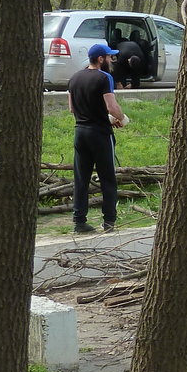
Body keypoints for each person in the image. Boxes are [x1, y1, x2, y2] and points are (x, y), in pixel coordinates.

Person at [67, 42, 126, 234]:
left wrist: (101, 117)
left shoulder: (75, 78)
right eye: (109, 57)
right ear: (101, 59)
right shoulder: (104, 77)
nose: (111, 60)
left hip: (80, 132)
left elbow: (72, 108)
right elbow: (112, 107)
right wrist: (120, 118)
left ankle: (79, 221)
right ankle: (109, 221)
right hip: (100, 134)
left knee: (81, 178)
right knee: (107, 178)